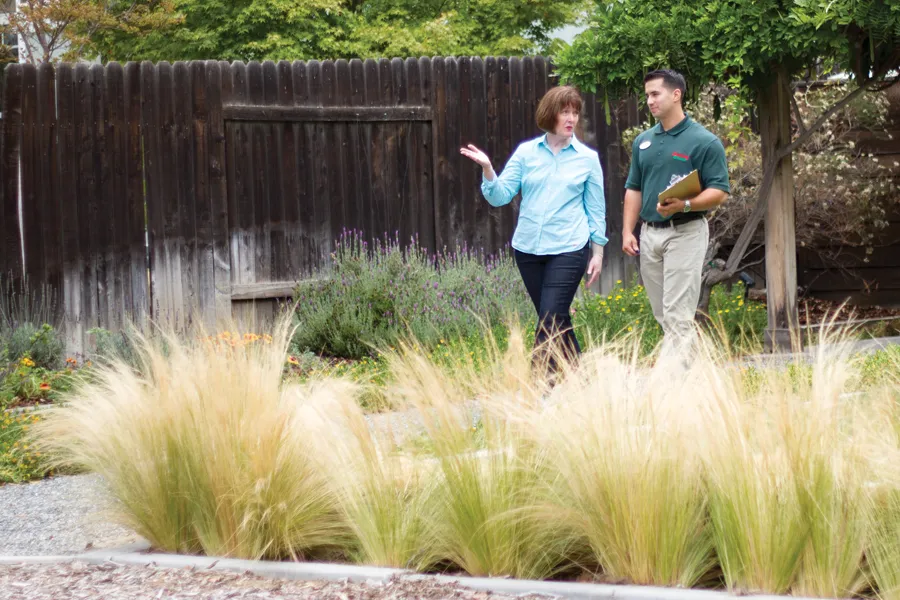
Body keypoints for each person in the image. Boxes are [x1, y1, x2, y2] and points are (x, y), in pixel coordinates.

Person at [460, 85, 607, 369]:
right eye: (565, 111)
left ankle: (538, 386)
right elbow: (500, 196)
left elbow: (596, 209)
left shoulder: (587, 159)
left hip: (569, 248)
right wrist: (488, 169)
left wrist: (598, 252)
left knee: (550, 318)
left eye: (575, 112)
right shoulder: (526, 153)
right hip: (528, 250)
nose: (571, 118)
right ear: (549, 113)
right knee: (556, 318)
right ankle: (581, 383)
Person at [622, 69, 730, 354]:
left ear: (676, 94)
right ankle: (696, 378)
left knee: (678, 317)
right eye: (647, 95)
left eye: (655, 94)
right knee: (664, 317)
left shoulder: (704, 141)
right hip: (649, 235)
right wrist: (627, 231)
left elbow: (719, 191)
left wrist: (685, 204)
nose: (650, 101)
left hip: (686, 232)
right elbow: (634, 188)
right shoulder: (642, 141)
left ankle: (675, 390)